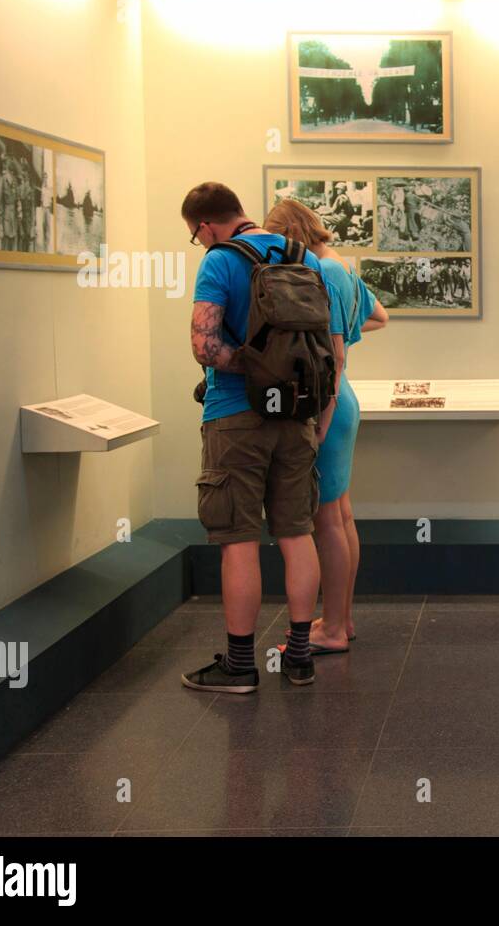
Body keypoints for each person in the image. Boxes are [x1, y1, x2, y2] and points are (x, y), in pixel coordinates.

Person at [178, 181, 346, 693]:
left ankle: (239, 666)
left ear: (206, 225)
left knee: (239, 539)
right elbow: (326, 347)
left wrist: (251, 368)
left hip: (236, 417)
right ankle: (299, 658)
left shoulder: (219, 260)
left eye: (195, 235)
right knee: (297, 532)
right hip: (297, 415)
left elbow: (204, 346)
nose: (199, 242)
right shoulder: (304, 258)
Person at [264, 199, 388, 652]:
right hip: (342, 398)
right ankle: (340, 619)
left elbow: (334, 356)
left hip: (328, 404)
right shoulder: (343, 267)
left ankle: (333, 629)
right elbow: (379, 317)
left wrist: (320, 419)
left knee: (326, 522)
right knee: (340, 515)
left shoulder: (322, 270)